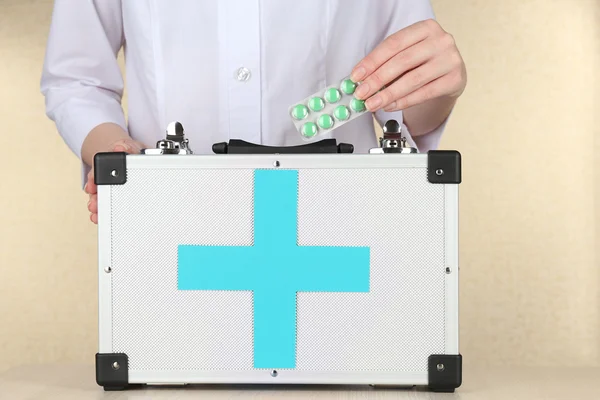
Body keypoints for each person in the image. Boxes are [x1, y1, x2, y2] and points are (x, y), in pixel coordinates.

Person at [41, 0, 467, 224]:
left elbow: (408, 114)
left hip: (336, 231)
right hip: (172, 226)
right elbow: (77, 79)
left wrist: (440, 86)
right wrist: (114, 154)